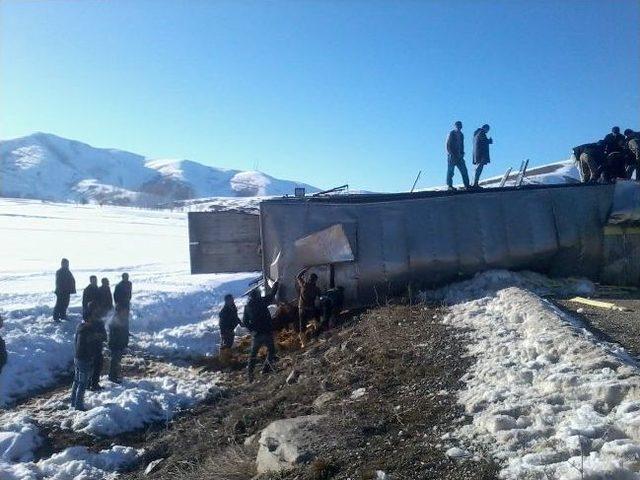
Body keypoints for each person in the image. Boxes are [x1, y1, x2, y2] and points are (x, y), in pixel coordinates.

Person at [243, 281, 279, 383]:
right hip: (266, 332)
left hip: (256, 335)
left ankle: (250, 375)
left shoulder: (247, 307)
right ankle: (265, 369)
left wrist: (251, 330)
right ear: (258, 295)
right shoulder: (262, 302)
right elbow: (272, 294)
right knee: (271, 351)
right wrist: (276, 284)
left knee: (253, 355)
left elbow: (245, 321)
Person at [70, 302, 100, 410]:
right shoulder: (88, 330)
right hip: (84, 359)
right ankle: (78, 405)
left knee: (77, 381)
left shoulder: (79, 327)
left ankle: (73, 402)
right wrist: (92, 356)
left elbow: (76, 342)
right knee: (82, 383)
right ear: (89, 318)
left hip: (77, 358)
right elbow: (90, 346)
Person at [109, 274, 132, 383]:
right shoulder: (116, 319)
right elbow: (114, 331)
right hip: (115, 344)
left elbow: (129, 294)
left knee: (117, 359)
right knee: (115, 359)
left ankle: (114, 375)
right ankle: (112, 376)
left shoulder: (129, 284)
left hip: (118, 343)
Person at [89, 278, 111, 390]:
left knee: (93, 365)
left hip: (93, 346)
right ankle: (93, 384)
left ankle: (91, 383)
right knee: (96, 365)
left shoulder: (91, 319)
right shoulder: (95, 320)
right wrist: (103, 337)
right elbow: (100, 333)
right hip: (95, 347)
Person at [445, 121, 470, 190]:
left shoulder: (461, 135)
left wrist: (462, 153)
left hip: (459, 156)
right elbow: (447, 145)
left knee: (464, 170)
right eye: (458, 126)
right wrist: (450, 153)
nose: (459, 127)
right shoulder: (451, 133)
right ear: (455, 126)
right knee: (450, 171)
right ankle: (449, 186)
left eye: (460, 126)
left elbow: (462, 145)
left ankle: (467, 185)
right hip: (452, 156)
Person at [296, 268, 322, 333]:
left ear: (309, 279)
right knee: (316, 319)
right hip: (310, 310)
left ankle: (304, 341)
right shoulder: (316, 289)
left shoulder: (303, 285)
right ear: (315, 280)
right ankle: (315, 333)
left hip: (301, 309)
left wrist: (305, 270)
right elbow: (320, 297)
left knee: (302, 326)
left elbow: (298, 276)